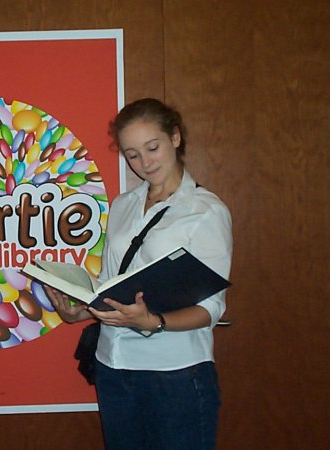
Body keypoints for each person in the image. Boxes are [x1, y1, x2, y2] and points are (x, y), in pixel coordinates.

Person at [44, 98, 232, 450]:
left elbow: (211, 309)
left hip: (175, 374)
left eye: (152, 148)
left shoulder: (205, 212)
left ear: (175, 137)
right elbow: (112, 283)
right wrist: (80, 311)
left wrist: (153, 322)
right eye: (132, 155)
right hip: (113, 367)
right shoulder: (123, 205)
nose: (144, 163)